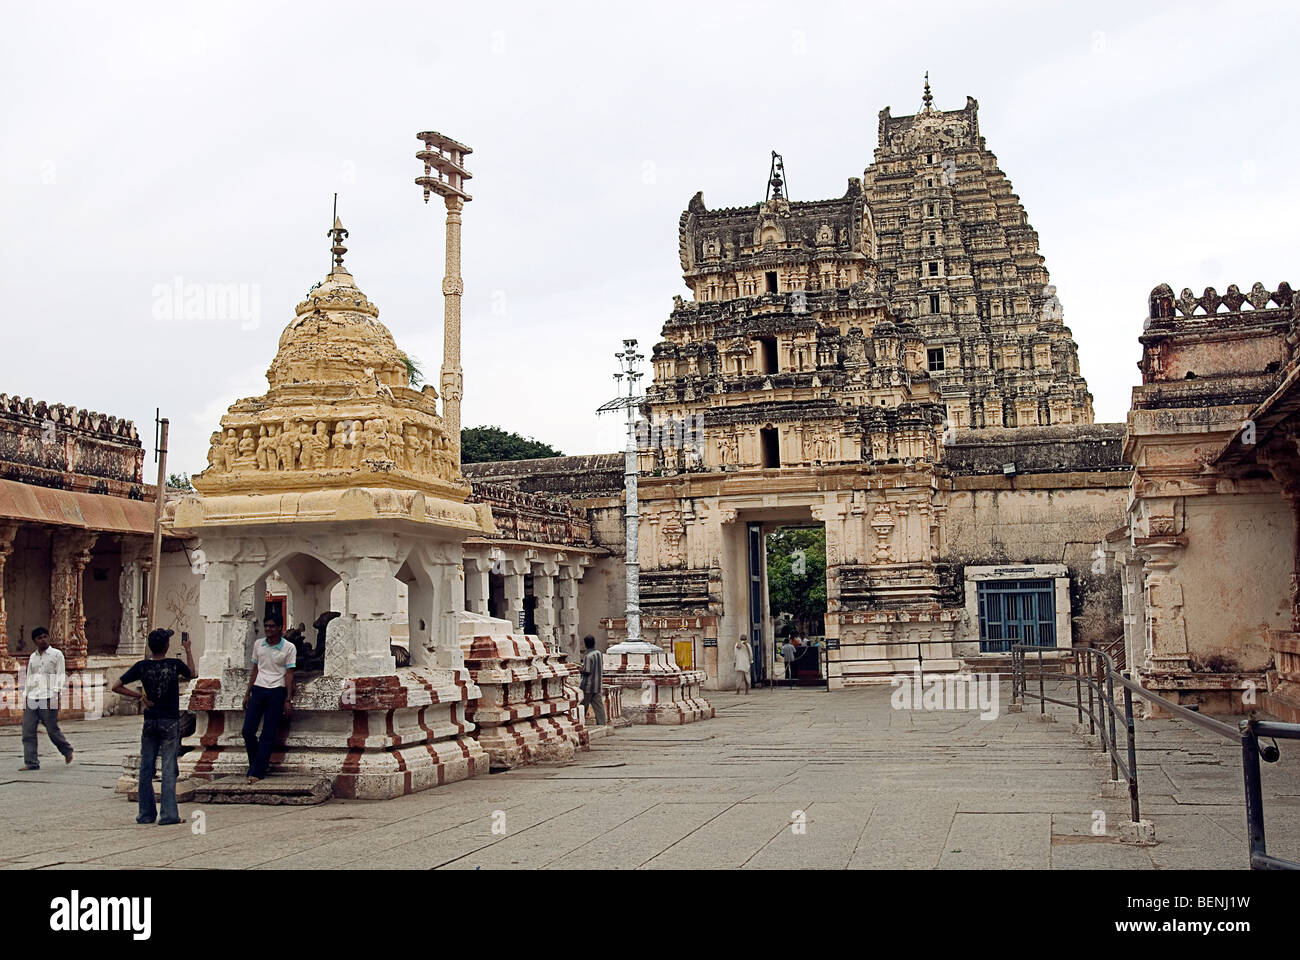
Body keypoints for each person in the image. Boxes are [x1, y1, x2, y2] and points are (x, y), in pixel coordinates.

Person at [113, 628, 195, 825]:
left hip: (150, 721)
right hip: (170, 721)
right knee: (168, 769)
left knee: (146, 768)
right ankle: (168, 815)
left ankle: (146, 814)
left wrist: (139, 696)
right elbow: (192, 674)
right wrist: (188, 650)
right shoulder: (173, 664)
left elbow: (116, 685)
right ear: (167, 646)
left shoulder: (142, 666)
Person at [242, 613, 296, 784]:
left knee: (268, 732)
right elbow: (255, 669)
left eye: (272, 626)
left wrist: (288, 699)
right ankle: (257, 764)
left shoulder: (289, 648)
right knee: (247, 730)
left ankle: (256, 771)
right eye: (266, 626)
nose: (268, 629)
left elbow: (289, 673)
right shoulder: (259, 644)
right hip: (259, 688)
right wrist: (247, 692)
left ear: (280, 627)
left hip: (277, 689)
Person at [19, 627, 73, 770]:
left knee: (51, 729)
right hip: (32, 697)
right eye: (39, 638)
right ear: (35, 641)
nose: (43, 640)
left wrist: (57, 694)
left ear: (48, 637)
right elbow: (29, 677)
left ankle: (67, 750)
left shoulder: (57, 655)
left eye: (45, 637)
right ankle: (31, 762)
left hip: (49, 697)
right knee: (27, 731)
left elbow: (60, 675)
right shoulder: (33, 657)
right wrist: (25, 696)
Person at [580, 635, 607, 726]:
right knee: (599, 706)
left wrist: (580, 669)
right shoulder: (598, 653)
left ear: (586, 644)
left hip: (588, 685)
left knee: (583, 704)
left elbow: (587, 670)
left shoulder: (588, 656)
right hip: (598, 684)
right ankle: (602, 723)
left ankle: (580, 722)